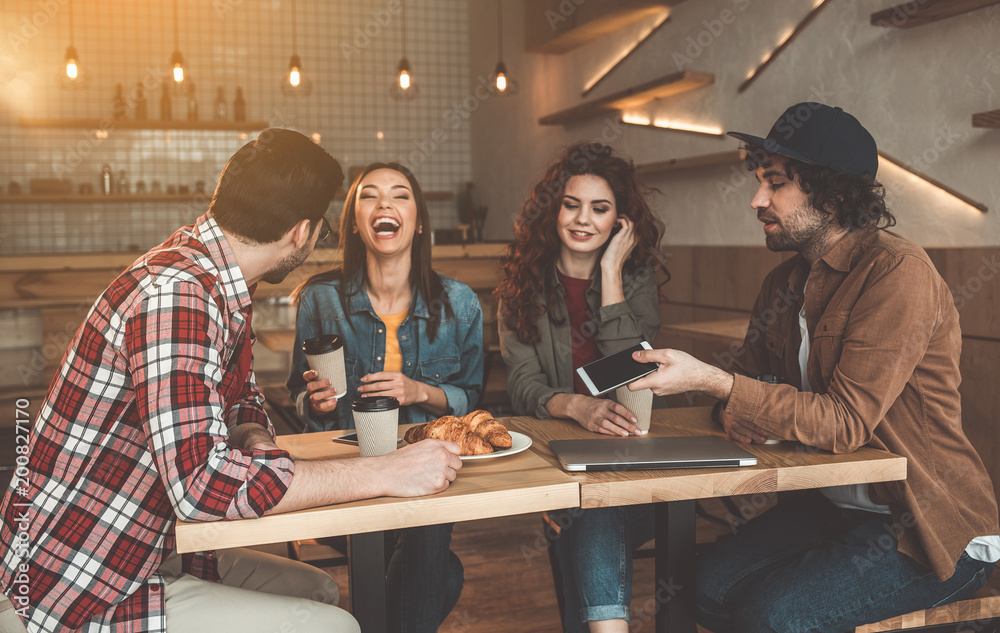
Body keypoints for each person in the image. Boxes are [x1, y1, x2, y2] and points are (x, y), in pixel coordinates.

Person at [0, 130, 463, 633]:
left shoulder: (218, 280)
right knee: (335, 626)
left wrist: (256, 440)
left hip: (145, 544)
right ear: (301, 232)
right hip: (78, 581)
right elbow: (202, 487)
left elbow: (240, 402)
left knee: (320, 590)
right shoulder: (177, 296)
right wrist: (384, 472)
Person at [628, 103, 1000, 632]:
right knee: (698, 592)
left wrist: (717, 383)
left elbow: (843, 422)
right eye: (759, 181)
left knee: (771, 616)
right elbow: (747, 394)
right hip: (830, 510)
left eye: (775, 183)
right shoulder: (780, 285)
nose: (757, 200)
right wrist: (729, 405)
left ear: (835, 195)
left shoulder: (898, 274)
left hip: (923, 527)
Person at [288, 162, 483, 633]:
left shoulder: (460, 304)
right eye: (369, 196)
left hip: (425, 474)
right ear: (355, 221)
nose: (385, 205)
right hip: (345, 482)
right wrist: (312, 402)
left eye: (400, 195)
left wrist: (419, 391)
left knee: (429, 539)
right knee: (439, 566)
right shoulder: (320, 299)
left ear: (417, 220)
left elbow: (473, 401)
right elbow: (297, 395)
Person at [495, 142, 665, 633]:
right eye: (572, 204)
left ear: (620, 221)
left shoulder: (635, 281)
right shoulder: (520, 285)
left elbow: (634, 372)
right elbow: (523, 384)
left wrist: (611, 274)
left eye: (600, 207)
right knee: (585, 508)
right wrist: (576, 406)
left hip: (636, 457)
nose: (582, 218)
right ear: (554, 209)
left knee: (589, 508)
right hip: (556, 454)